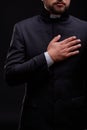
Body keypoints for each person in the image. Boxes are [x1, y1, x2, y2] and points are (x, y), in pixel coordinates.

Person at [4, 0, 87, 129]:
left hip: (75, 120)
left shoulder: (85, 29)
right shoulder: (23, 28)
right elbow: (11, 76)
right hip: (35, 121)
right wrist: (49, 57)